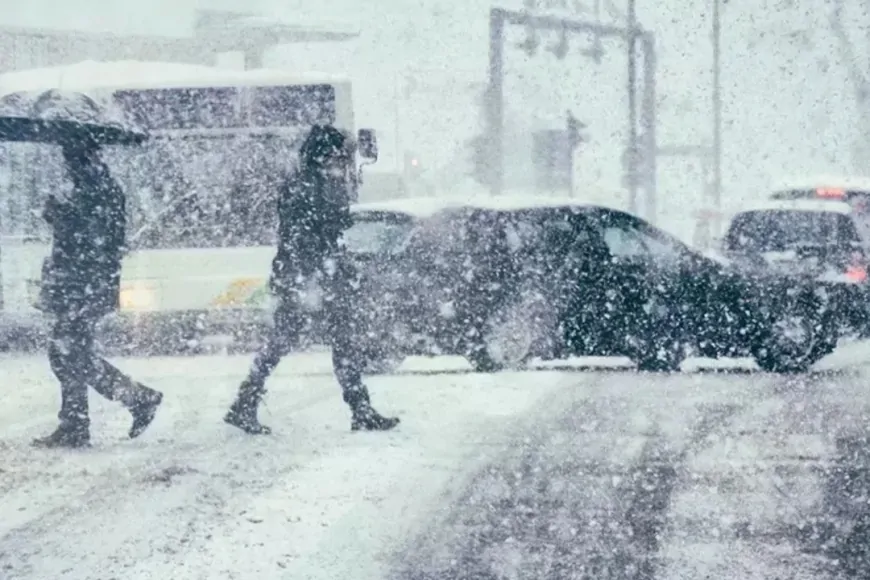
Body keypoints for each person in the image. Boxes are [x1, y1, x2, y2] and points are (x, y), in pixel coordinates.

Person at [224, 124, 400, 435]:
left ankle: (358, 409)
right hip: (308, 280)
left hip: (312, 278)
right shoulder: (307, 188)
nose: (341, 162)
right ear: (323, 156)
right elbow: (304, 238)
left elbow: (321, 232)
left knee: (325, 341)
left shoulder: (313, 184)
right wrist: (315, 277)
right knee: (294, 342)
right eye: (337, 156)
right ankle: (245, 403)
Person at [32, 139, 163, 449]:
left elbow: (93, 240)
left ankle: (136, 400)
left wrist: (61, 215)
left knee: (68, 353)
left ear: (81, 158)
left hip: (85, 285)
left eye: (70, 157)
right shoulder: (94, 187)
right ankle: (78, 422)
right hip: (83, 284)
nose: (66, 164)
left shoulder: (96, 189)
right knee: (69, 353)